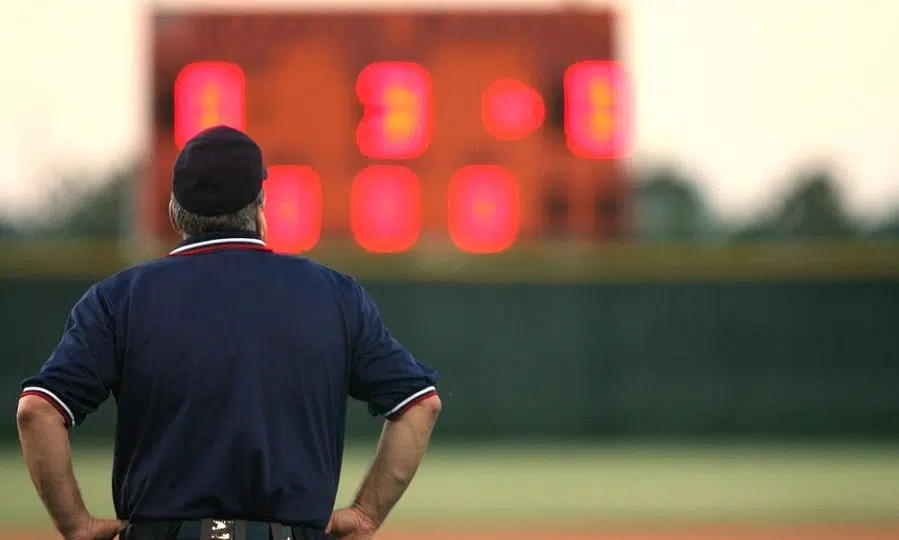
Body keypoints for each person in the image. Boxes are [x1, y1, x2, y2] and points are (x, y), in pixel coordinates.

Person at [16, 125, 442, 540]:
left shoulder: (118, 298)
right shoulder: (335, 295)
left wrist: (76, 525)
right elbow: (419, 404)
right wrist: (366, 514)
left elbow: (37, 411)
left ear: (173, 211)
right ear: (261, 205)